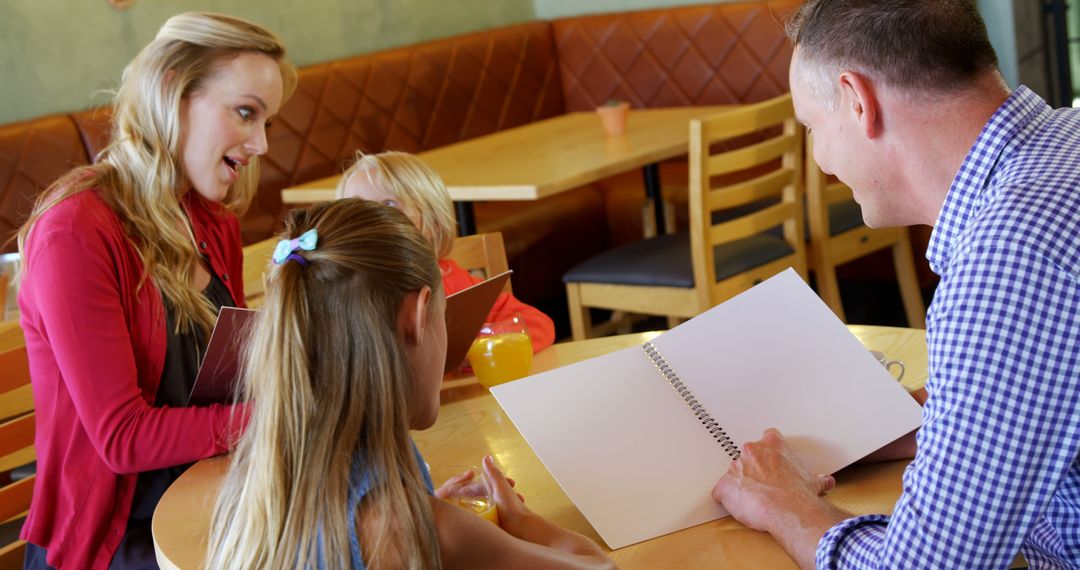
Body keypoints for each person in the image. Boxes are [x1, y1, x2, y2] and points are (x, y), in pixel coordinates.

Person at [710, 1, 1080, 568]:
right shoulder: (1064, 142)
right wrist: (937, 419)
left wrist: (786, 505)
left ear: (858, 102)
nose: (822, 162)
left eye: (812, 127)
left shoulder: (1010, 254)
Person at [15, 12, 296, 569]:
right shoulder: (75, 231)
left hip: (211, 498)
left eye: (268, 122)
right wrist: (279, 412)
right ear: (173, 91)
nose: (261, 143)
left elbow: (226, 381)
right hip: (115, 538)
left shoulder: (213, 221)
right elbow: (122, 438)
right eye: (246, 113)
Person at [205, 198, 614, 569]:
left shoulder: (252, 490)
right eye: (444, 318)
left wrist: (430, 504)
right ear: (417, 317)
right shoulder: (418, 532)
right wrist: (519, 521)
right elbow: (602, 569)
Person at [336, 151, 556, 354]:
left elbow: (535, 324)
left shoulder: (452, 283)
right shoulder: (338, 292)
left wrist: (471, 350)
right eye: (356, 208)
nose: (371, 219)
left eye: (389, 204)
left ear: (434, 225)